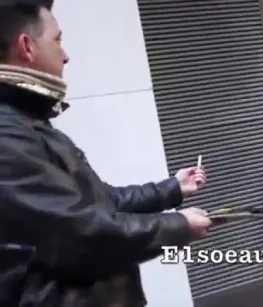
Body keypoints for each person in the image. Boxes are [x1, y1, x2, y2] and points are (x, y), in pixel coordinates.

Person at [0, 1, 212, 306]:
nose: (66, 55)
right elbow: (83, 233)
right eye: (58, 40)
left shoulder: (30, 125)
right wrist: (179, 226)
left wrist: (172, 188)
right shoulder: (8, 135)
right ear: (27, 46)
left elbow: (102, 202)